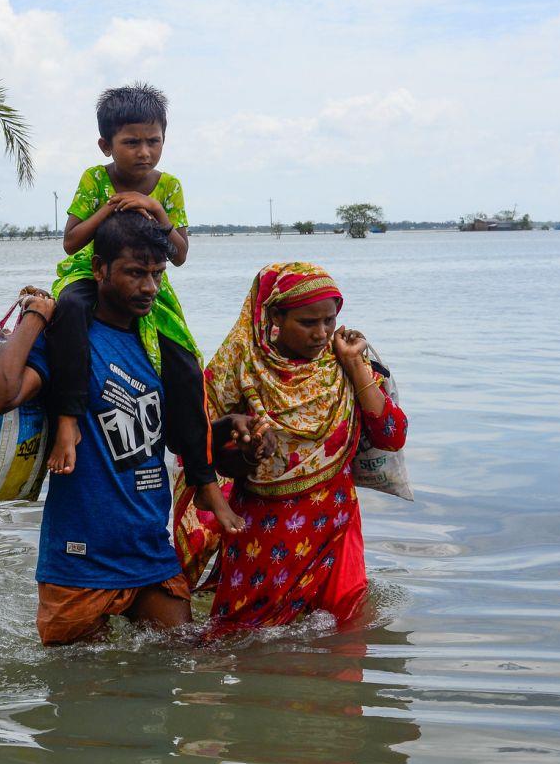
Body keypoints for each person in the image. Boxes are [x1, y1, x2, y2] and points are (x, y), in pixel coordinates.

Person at [0, 211, 260, 646]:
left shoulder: (158, 344)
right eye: (134, 273)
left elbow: (156, 430)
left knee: (188, 661)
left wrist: (225, 429)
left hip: (148, 549)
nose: (148, 287)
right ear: (99, 269)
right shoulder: (71, 342)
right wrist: (36, 317)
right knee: (79, 691)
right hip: (79, 558)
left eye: (156, 274)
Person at [45, 83, 244, 535]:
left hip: (150, 278)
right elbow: (73, 241)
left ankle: (204, 479)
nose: (144, 152)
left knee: (185, 366)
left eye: (153, 141)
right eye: (131, 142)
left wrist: (155, 208)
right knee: (71, 313)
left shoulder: (168, 186)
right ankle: (68, 419)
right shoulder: (95, 180)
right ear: (106, 145)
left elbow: (179, 255)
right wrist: (111, 210)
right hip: (91, 271)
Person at [173, 262, 408, 635]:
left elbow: (392, 435)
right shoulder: (239, 366)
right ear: (274, 316)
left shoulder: (344, 361)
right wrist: (248, 450)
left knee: (345, 639)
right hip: (264, 532)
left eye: (329, 320)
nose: (321, 333)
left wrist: (354, 365)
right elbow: (196, 451)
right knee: (239, 637)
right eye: (308, 322)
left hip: (336, 524)